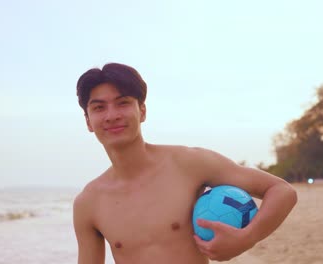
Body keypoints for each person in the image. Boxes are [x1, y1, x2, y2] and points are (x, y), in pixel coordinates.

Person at [73, 63, 297, 264]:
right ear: (88, 122)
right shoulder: (89, 203)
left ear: (142, 111)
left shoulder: (188, 164)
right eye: (99, 108)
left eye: (122, 103)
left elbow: (281, 191)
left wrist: (247, 238)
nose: (112, 115)